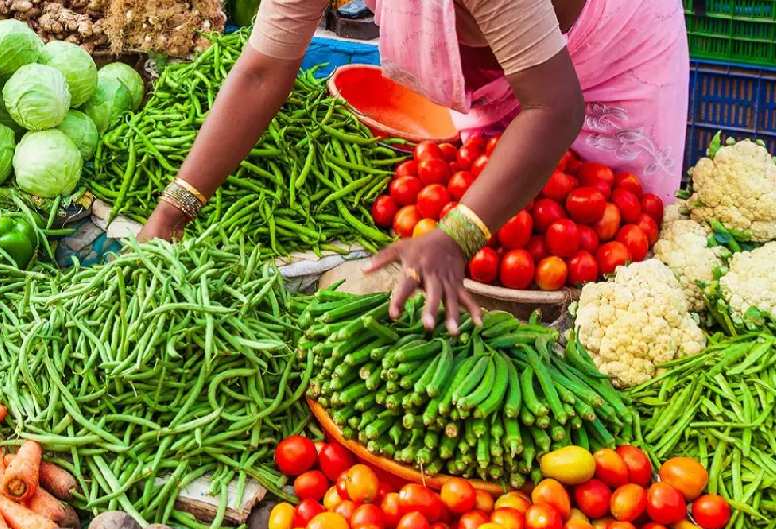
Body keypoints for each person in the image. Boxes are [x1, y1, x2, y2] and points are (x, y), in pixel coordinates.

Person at [140, 0, 688, 334]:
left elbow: (554, 106)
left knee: (612, 246)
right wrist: (173, 212)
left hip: (610, 48)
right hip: (499, 71)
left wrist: (455, 235)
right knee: (507, 224)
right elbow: (262, 70)